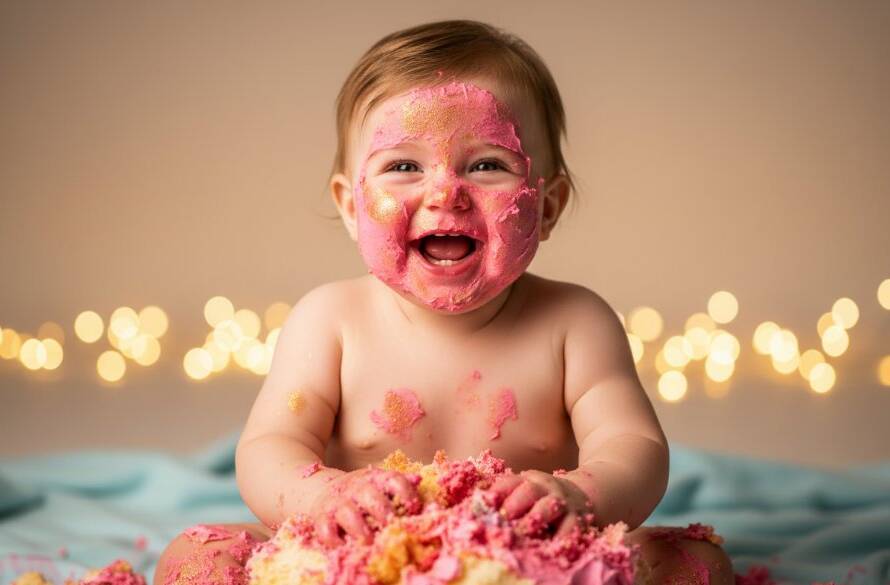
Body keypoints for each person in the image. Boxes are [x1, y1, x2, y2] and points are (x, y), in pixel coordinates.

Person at [155, 19, 734, 585]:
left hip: (526, 561)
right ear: (352, 207)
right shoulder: (330, 321)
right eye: (403, 166)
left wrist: (578, 495)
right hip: (363, 556)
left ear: (548, 205)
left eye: (487, 165)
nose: (444, 193)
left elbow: (633, 445)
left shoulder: (575, 324)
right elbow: (269, 447)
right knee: (196, 557)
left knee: (696, 562)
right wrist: (324, 497)